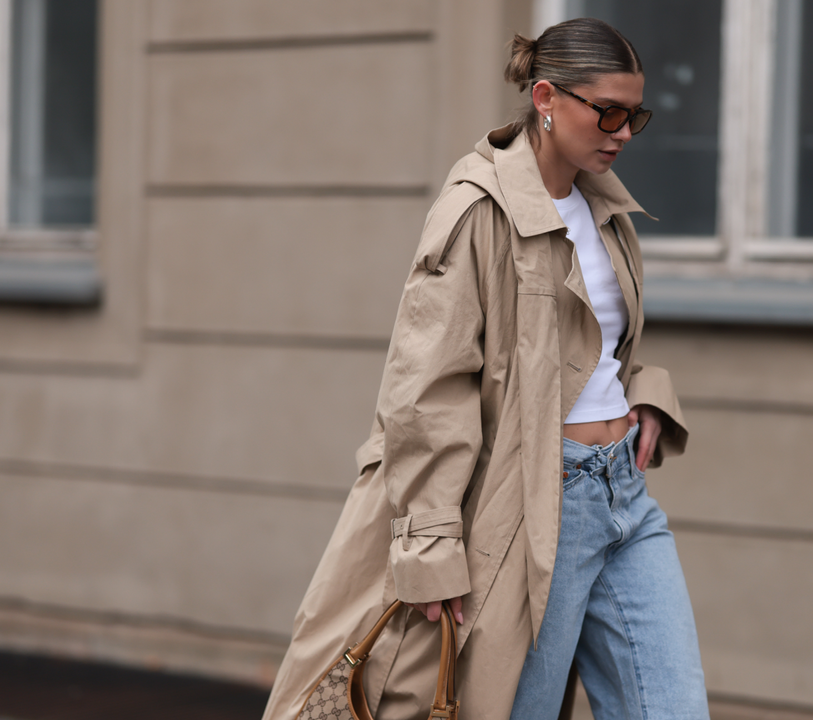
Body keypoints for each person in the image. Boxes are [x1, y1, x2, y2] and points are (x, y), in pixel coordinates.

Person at [261, 17, 709, 720]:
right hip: (535, 507)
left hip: (623, 496)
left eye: (636, 115)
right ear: (546, 98)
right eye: (610, 112)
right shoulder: (478, 210)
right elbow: (424, 386)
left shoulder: (606, 210)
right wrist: (432, 542)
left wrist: (644, 396)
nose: (624, 133)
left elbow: (593, 349)